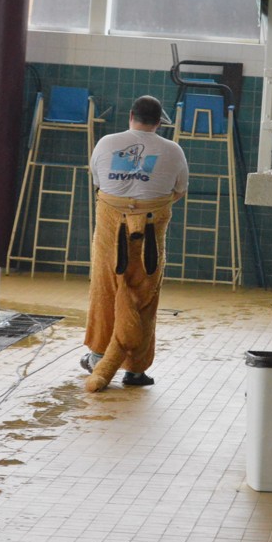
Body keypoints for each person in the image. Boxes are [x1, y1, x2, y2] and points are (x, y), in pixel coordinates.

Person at [80, 95, 188, 392]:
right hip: (150, 237)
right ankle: (136, 370)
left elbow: (98, 184)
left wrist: (124, 203)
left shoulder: (106, 143)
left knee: (105, 290)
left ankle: (98, 357)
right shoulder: (173, 150)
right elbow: (179, 190)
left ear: (131, 116)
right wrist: (146, 203)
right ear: (159, 123)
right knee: (144, 297)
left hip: (109, 232)